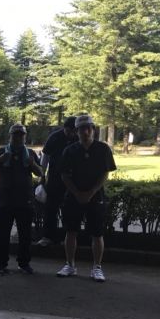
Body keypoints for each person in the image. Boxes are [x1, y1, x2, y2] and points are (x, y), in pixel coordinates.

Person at [57, 115, 116, 282]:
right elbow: (64, 175)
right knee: (70, 231)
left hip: (96, 196)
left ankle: (97, 267)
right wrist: (77, 193)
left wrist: (91, 193)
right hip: (73, 196)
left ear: (93, 130)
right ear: (76, 132)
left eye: (89, 128)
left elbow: (105, 173)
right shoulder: (69, 150)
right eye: (82, 129)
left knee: (97, 233)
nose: (86, 132)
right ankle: (70, 265)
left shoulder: (103, 149)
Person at [0, 124, 43, 274]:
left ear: (25, 137)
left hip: (25, 200)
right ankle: (0, 263)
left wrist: (32, 164)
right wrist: (1, 159)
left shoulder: (30, 153)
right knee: (3, 234)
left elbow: (40, 173)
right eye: (15, 135)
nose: (18, 138)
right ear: (9, 137)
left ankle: (24, 263)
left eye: (21, 136)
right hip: (5, 199)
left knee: (25, 234)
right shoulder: (1, 152)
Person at [37, 117, 78, 246]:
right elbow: (45, 156)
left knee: (69, 209)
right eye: (69, 131)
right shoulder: (54, 137)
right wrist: (42, 175)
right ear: (64, 128)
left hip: (72, 180)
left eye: (73, 131)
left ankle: (66, 237)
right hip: (54, 177)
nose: (71, 134)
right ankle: (47, 236)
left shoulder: (78, 137)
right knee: (50, 208)